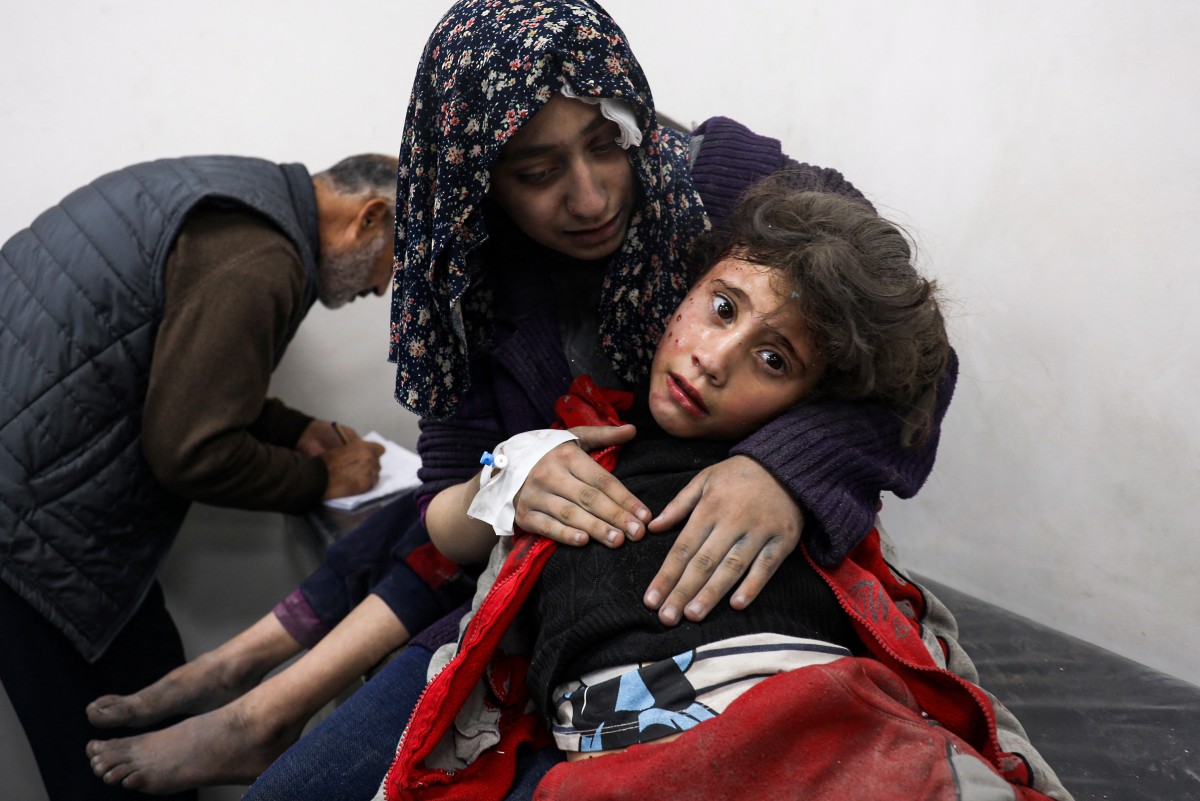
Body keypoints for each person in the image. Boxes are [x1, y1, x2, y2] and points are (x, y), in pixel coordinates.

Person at [90, 1, 1021, 798]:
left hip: (719, 593)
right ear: (476, 180)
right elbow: (450, 516)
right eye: (536, 173)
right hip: (535, 588)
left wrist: (780, 471)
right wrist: (512, 474)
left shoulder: (720, 181)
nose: (588, 198)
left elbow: (909, 345)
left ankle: (257, 696)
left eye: (606, 143)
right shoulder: (464, 276)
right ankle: (257, 704)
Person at [382, 179, 1070, 800]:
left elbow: (928, 648)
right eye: (720, 307)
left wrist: (785, 473)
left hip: (842, 735)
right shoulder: (576, 443)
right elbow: (457, 563)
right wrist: (507, 470)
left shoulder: (814, 494)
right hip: (624, 766)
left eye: (774, 359)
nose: (713, 358)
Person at [0, 152, 396, 801]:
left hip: (31, 503)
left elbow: (172, 377)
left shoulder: (238, 201)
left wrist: (292, 429)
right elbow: (190, 450)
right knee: (121, 761)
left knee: (155, 728)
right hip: (38, 535)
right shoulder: (261, 256)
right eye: (393, 265)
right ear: (370, 217)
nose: (380, 289)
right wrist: (320, 478)